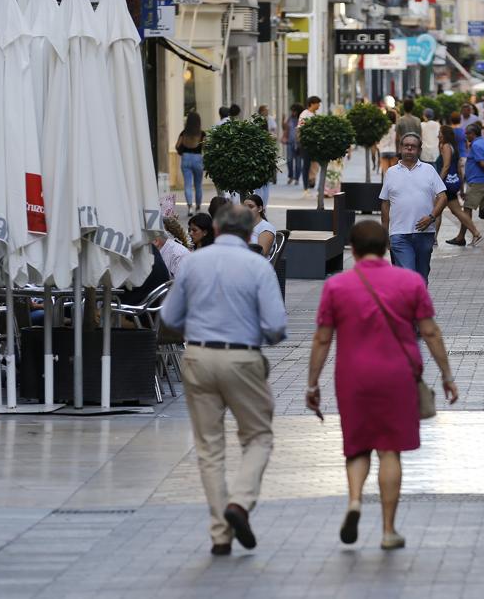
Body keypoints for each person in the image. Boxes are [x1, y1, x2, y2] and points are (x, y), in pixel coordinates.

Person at [305, 221, 459, 551]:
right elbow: (430, 332)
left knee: (357, 447)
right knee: (390, 450)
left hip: (353, 378)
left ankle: (355, 501)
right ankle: (388, 531)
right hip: (397, 376)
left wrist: (312, 384)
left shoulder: (337, 286)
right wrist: (447, 375)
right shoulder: (410, 282)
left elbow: (322, 338)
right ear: (386, 247)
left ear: (354, 249)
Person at [160, 204, 288, 556]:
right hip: (242, 357)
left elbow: (169, 316)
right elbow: (276, 327)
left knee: (209, 448)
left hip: (199, 356)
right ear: (249, 232)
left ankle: (220, 532)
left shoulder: (193, 263)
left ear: (215, 229)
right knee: (258, 436)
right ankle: (240, 503)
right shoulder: (258, 266)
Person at [379, 132, 448, 283]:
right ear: (400, 148)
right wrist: (385, 232)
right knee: (409, 275)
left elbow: (443, 197)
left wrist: (431, 217)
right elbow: (385, 203)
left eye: (413, 146)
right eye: (406, 146)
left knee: (422, 277)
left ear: (419, 150)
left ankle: (419, 297)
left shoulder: (429, 170)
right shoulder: (391, 172)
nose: (409, 149)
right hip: (399, 234)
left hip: (424, 233)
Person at [436, 125, 482, 246]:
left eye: (440, 133)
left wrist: (437, 183)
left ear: (445, 135)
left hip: (445, 184)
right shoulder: (453, 147)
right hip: (452, 182)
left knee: (445, 211)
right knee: (448, 211)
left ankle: (476, 233)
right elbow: (458, 169)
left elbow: (446, 167)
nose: (438, 135)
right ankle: (434, 238)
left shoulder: (446, 146)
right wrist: (461, 187)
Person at [177, 112, 206, 213]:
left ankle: (190, 207)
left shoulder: (184, 133)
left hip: (185, 157)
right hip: (198, 158)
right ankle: (198, 206)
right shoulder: (202, 134)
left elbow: (177, 145)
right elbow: (206, 147)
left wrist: (182, 151)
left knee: (187, 184)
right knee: (198, 185)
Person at [299, 96, 322, 195]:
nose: (319, 105)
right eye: (318, 103)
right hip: (306, 144)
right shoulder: (305, 114)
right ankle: (306, 187)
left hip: (314, 144)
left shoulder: (315, 114)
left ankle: (311, 182)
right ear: (312, 104)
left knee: (315, 165)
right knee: (306, 165)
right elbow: (300, 128)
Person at [282, 104, 304, 185]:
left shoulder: (302, 119)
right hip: (290, 143)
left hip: (299, 144)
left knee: (298, 162)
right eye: (292, 111)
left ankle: (297, 178)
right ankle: (291, 176)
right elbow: (285, 128)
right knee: (289, 160)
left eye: (294, 111)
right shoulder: (290, 119)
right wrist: (283, 120)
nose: (293, 112)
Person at [378, 109, 399, 178]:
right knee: (393, 175)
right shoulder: (396, 127)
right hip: (393, 150)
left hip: (383, 151)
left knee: (386, 175)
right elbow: (397, 139)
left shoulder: (382, 127)